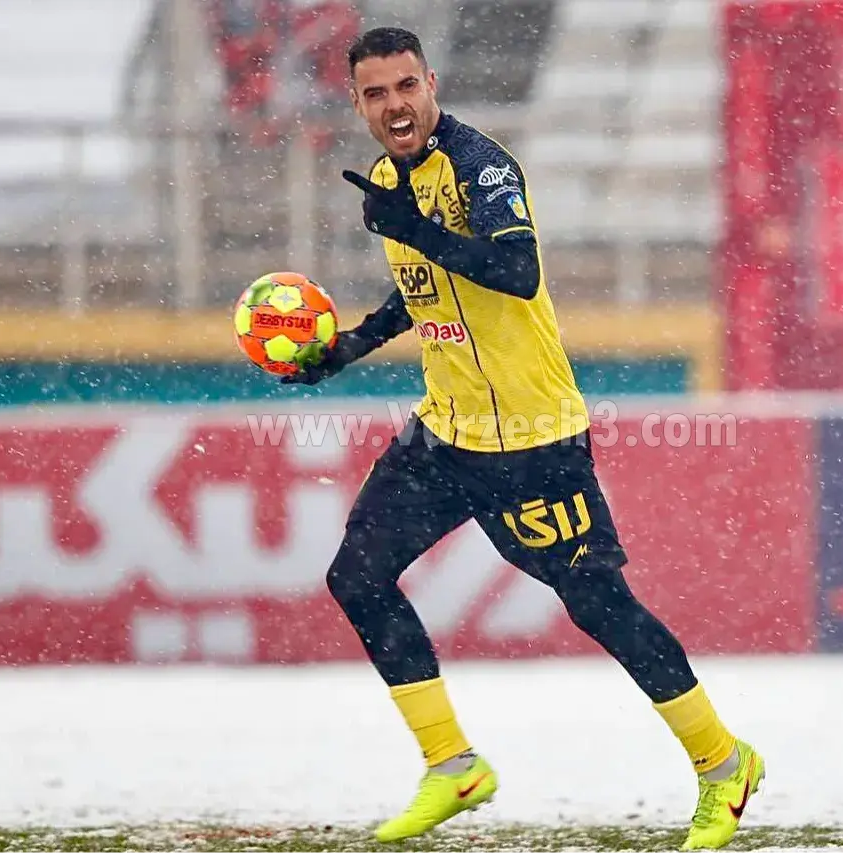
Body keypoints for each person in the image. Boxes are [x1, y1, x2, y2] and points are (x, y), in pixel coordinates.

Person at [281, 26, 766, 850]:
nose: (395, 106)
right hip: (446, 432)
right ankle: (453, 764)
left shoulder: (482, 166)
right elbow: (423, 290)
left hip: (532, 436)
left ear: (431, 84)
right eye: (376, 93)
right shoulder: (391, 181)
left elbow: (516, 270)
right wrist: (349, 347)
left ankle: (725, 762)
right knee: (356, 575)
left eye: (406, 86)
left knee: (598, 603)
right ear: (357, 104)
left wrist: (414, 226)